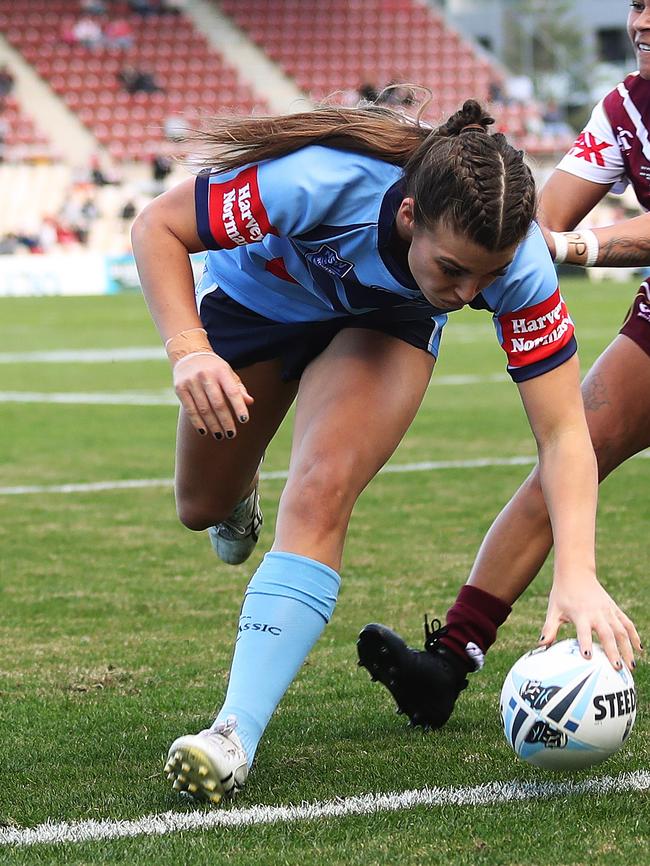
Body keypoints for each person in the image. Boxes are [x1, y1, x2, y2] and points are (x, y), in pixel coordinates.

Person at [131, 97, 632, 806]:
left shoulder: (515, 265)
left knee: (321, 491)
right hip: (258, 305)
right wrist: (188, 352)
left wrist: (578, 572)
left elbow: (562, 433)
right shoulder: (319, 182)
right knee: (200, 505)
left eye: (486, 279)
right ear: (407, 219)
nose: (467, 296)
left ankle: (231, 736)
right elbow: (158, 225)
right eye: (454, 269)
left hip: (384, 326)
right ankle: (236, 494)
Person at [358, 1, 650, 731]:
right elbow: (533, 227)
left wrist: (576, 250)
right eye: (637, 5)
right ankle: (446, 665)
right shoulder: (624, 108)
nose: (642, 22)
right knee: (568, 451)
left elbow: (562, 244)